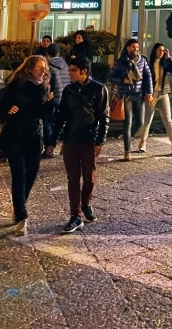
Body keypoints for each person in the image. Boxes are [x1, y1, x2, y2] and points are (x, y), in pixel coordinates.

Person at [0, 56, 54, 236]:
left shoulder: (44, 87)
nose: (43, 71)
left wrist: (49, 104)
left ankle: (19, 205)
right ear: (29, 69)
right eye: (39, 68)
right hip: (15, 136)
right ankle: (21, 216)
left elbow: (44, 116)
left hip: (35, 138)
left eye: (45, 68)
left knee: (31, 175)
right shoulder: (15, 86)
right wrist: (7, 111)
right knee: (19, 175)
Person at [52, 56, 109, 233]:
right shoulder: (69, 90)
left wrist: (100, 141)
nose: (70, 73)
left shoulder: (99, 89)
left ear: (84, 71)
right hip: (70, 139)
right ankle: (75, 215)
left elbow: (104, 117)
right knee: (72, 178)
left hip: (89, 139)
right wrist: (52, 140)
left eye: (73, 70)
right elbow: (61, 115)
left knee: (89, 178)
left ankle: (86, 203)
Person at [108, 39, 154, 161]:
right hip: (126, 95)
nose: (136, 49)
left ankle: (127, 137)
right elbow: (111, 76)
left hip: (139, 94)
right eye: (133, 47)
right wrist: (122, 80)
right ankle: (127, 150)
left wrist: (149, 93)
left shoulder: (142, 60)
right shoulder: (120, 62)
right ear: (127, 48)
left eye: (137, 47)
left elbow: (148, 77)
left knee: (139, 121)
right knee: (127, 123)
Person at [135, 43, 172, 155]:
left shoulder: (164, 62)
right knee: (148, 119)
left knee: (168, 119)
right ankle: (143, 142)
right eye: (160, 50)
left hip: (163, 93)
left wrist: (169, 57)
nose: (161, 52)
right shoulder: (149, 63)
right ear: (155, 51)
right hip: (152, 94)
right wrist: (147, 93)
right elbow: (144, 79)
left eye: (163, 50)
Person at [43, 44, 70, 157]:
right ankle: (64, 147)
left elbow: (48, 84)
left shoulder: (49, 66)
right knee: (62, 123)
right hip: (65, 97)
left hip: (53, 98)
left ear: (47, 54)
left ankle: (49, 149)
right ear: (58, 53)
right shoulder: (66, 65)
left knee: (47, 123)